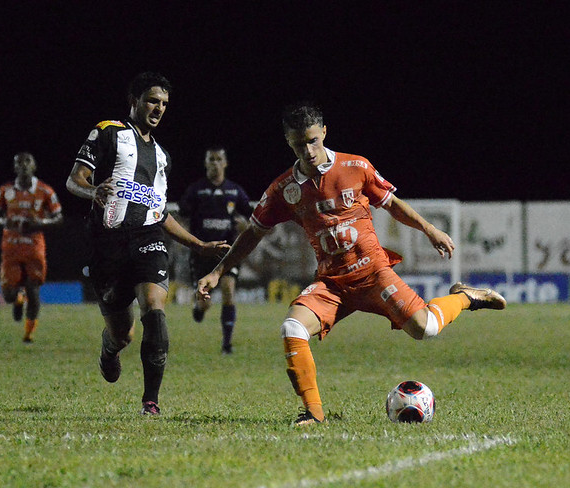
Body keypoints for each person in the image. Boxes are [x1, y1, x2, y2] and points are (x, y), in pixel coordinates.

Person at [198, 103, 506, 426]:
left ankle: (465, 296)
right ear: (289, 142)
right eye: (299, 144)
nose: (308, 150)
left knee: (426, 329)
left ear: (324, 133)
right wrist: (217, 271)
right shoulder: (283, 190)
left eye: (313, 140)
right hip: (332, 283)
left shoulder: (355, 167)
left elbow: (392, 205)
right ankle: (314, 414)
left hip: (373, 273)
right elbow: (252, 233)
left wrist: (429, 229)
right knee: (292, 328)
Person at [66, 72, 230, 416]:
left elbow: (159, 214)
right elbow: (74, 180)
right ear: (135, 100)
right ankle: (109, 349)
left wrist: (198, 244)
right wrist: (92, 190)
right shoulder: (108, 132)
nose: (159, 109)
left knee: (155, 308)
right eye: (153, 101)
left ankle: (150, 401)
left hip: (146, 238)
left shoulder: (161, 157)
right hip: (106, 244)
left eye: (165, 104)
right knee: (123, 334)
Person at [178, 146, 254, 353]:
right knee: (205, 302)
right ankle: (199, 308)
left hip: (227, 252)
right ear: (205, 163)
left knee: (229, 291)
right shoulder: (196, 190)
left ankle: (227, 345)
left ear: (225, 163)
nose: (215, 163)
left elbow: (250, 215)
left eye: (218, 159)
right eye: (210, 159)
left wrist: (244, 225)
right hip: (202, 253)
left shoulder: (234, 190)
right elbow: (182, 211)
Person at [0, 152, 63, 342]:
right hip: (11, 246)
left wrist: (40, 221)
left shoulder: (45, 191)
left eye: (27, 162)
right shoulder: (5, 190)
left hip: (34, 245)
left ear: (34, 166)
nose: (23, 165)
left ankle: (28, 333)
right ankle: (17, 300)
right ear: (15, 167)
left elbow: (58, 217)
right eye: (19, 162)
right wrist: (5, 222)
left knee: (34, 290)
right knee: (8, 294)